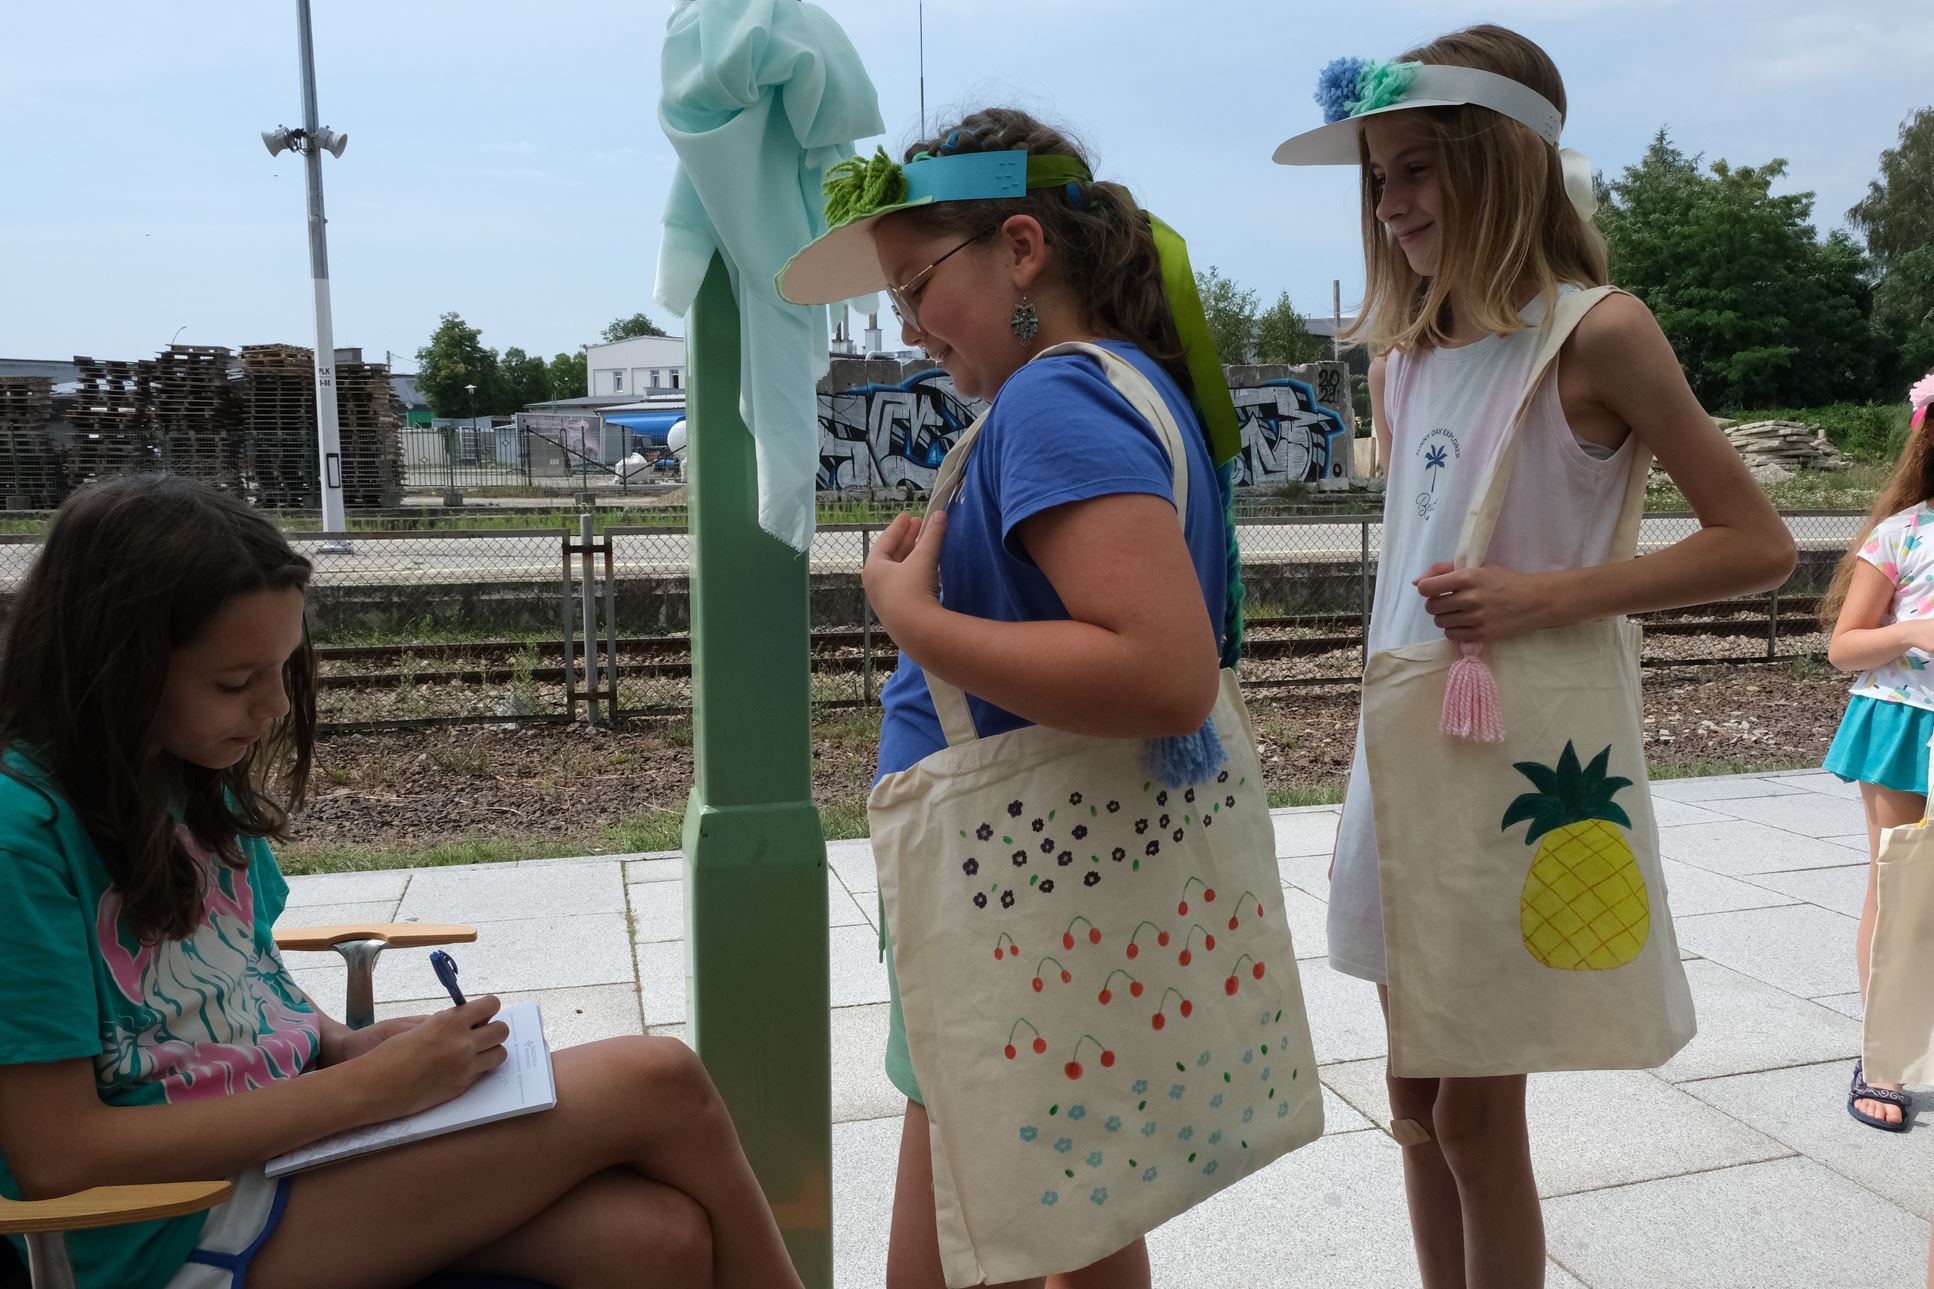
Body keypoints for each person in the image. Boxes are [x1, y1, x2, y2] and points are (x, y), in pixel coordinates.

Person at [1274, 25, 1795, 1288]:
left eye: (1416, 170)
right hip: (1401, 758)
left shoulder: (1595, 334)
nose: (1390, 205)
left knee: (1470, 1114)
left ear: (1502, 164)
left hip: (1504, 764)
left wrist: (1539, 596)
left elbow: (1756, 543)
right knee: (1412, 1095)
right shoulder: (1406, 359)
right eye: (1377, 178)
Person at [0, 475, 803, 1289]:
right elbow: (59, 1154)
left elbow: (240, 975)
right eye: (235, 682)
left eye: (283, 668)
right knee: (658, 1078)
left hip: (279, 1151)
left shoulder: (190, 777)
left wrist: (339, 1042)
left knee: (660, 1238)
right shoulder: (21, 837)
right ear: (116, 668)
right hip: (166, 1227)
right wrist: (364, 1090)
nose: (274, 704)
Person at [779, 108, 1245, 1288]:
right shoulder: (1133, 385)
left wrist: (910, 615)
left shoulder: (1049, 402)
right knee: (1080, 1214)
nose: (905, 327)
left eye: (913, 286)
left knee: (959, 1240)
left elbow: (1162, 672)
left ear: (1022, 250)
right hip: (1064, 874)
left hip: (1008, 886)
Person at [1820, 371, 1934, 1132]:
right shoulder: (1903, 533)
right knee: (1900, 888)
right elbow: (1844, 647)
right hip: (1903, 721)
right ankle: (1884, 1058)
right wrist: (1914, 631)